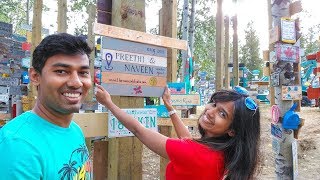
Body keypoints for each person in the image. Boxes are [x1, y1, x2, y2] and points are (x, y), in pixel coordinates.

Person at [95, 85, 261, 180]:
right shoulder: (224, 153)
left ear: (232, 130)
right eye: (214, 104)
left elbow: (138, 129)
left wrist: (109, 104)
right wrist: (170, 108)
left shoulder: (195, 154)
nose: (210, 111)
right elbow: (187, 140)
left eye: (222, 114)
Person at [0, 33, 93, 179]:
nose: (76, 82)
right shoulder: (18, 145)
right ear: (35, 76)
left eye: (83, 72)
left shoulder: (75, 130)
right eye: (61, 71)